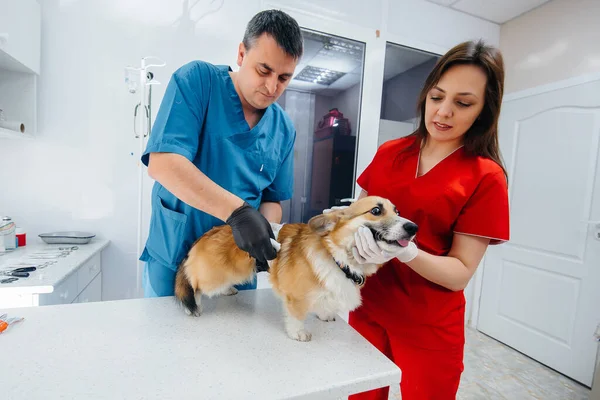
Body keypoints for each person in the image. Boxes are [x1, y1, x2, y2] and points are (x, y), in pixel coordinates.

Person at [339, 40, 510, 399]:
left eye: (463, 103)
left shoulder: (485, 176)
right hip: (369, 309)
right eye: (437, 97)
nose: (444, 112)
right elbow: (357, 217)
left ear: (484, 110)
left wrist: (406, 253)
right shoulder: (390, 153)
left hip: (428, 326)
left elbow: (461, 271)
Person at [139, 10, 304, 297]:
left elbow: (273, 199)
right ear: (242, 54)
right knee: (165, 340)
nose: (271, 87)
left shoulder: (284, 129)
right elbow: (163, 164)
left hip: (237, 268)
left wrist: (263, 230)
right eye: (263, 70)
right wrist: (239, 214)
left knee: (231, 341)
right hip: (176, 256)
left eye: (284, 78)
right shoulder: (198, 82)